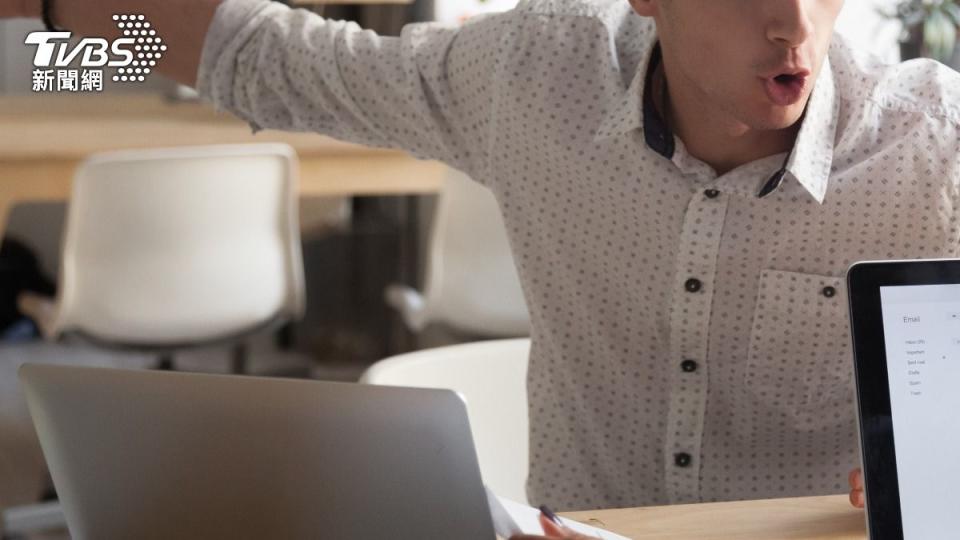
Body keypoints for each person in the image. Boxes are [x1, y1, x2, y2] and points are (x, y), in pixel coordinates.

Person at [3, 0, 958, 537]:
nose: (792, 22)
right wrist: (47, 29)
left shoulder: (934, 147)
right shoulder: (534, 77)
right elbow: (262, 58)